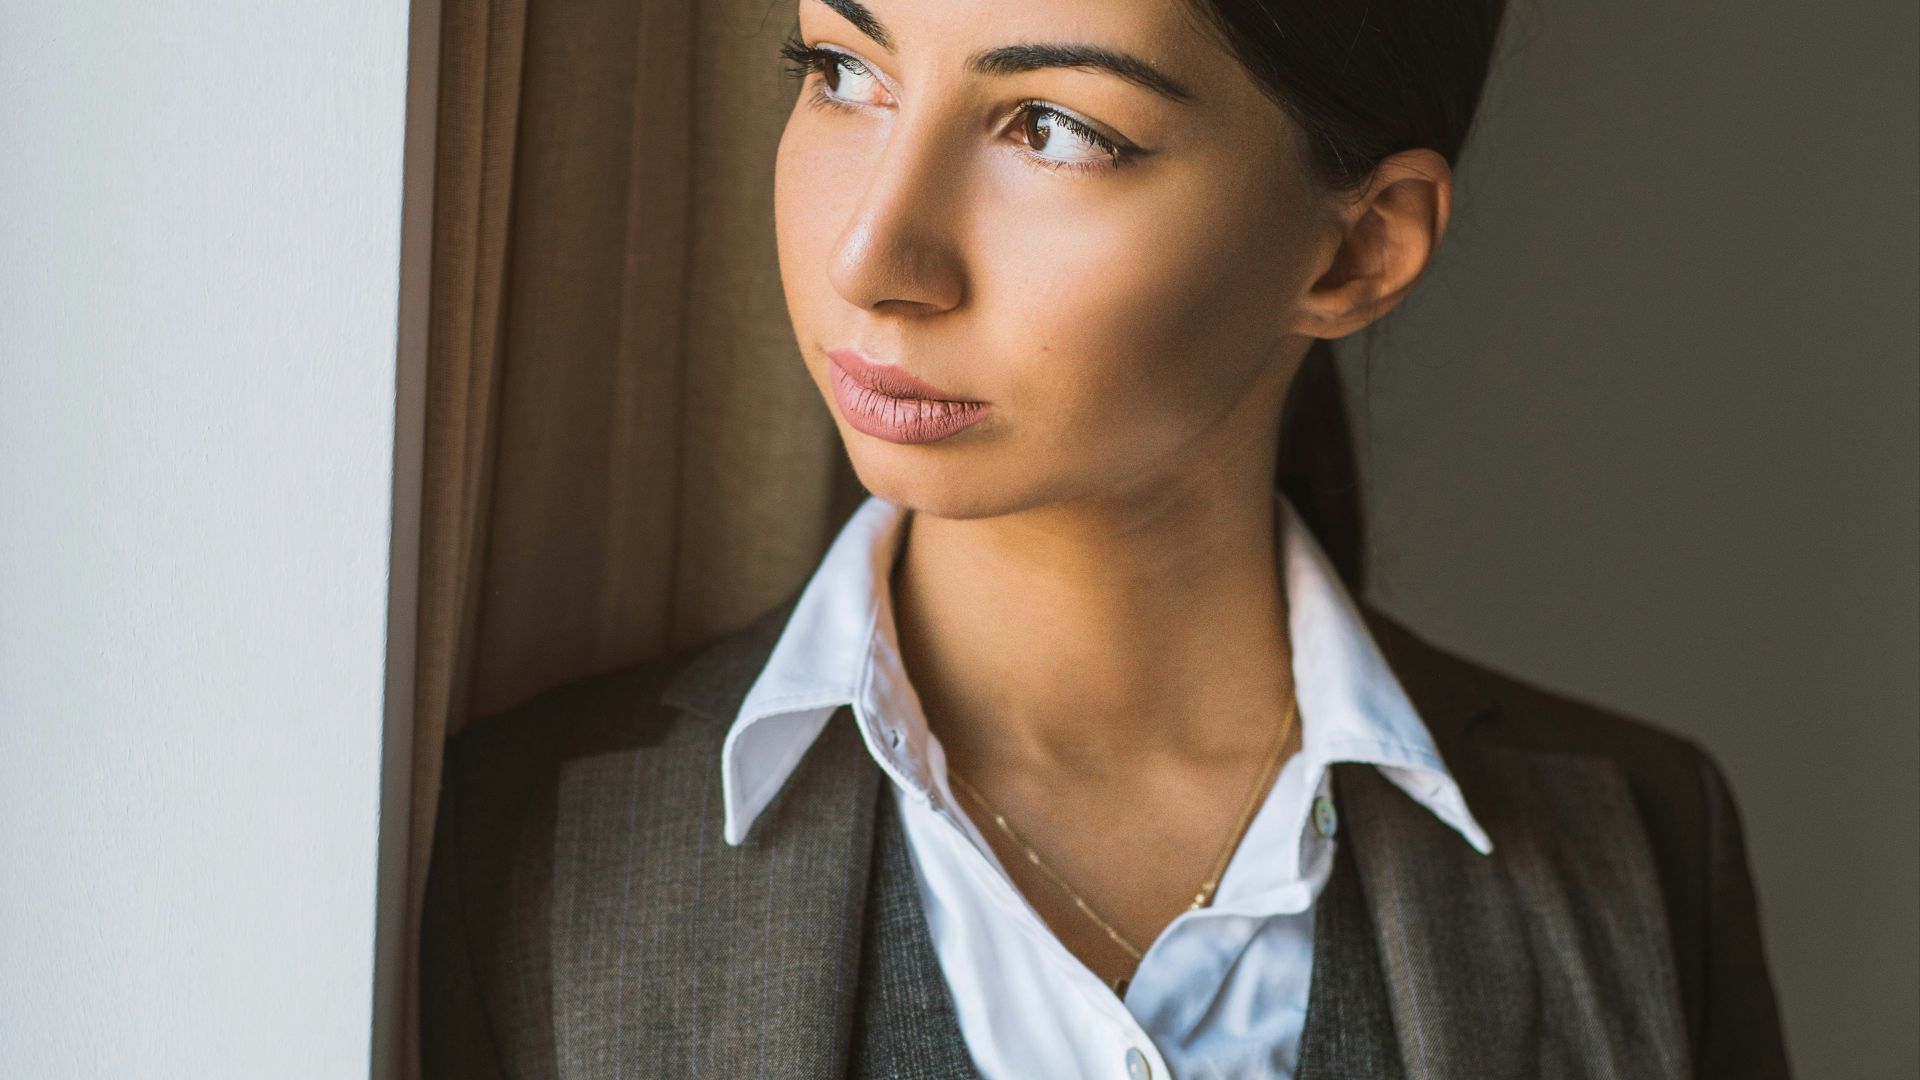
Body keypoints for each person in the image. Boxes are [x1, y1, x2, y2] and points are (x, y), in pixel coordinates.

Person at [421, 0, 1794, 1076]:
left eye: (1053, 127)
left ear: (1357, 251)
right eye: (841, 69)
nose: (873, 255)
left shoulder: (1640, 852)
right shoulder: (529, 844)